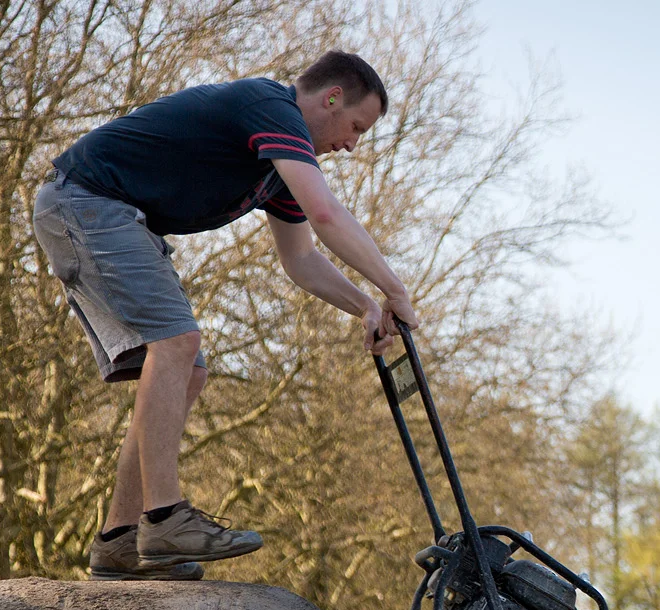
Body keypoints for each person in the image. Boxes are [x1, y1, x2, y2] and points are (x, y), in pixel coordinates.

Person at [33, 51, 418, 581]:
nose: (352, 145)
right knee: (177, 343)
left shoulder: (279, 168)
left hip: (108, 214)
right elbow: (326, 213)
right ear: (332, 98)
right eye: (356, 127)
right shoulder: (270, 106)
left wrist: (367, 306)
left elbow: (301, 258)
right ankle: (165, 518)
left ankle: (119, 542)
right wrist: (394, 289)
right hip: (86, 203)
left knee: (187, 369)